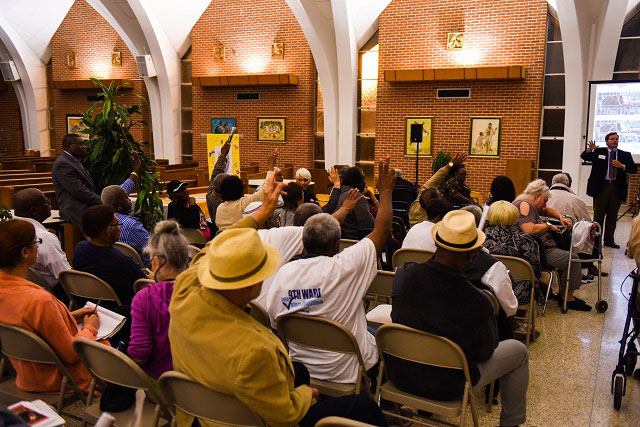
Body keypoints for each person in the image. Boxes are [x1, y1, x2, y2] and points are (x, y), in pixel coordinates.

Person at [168, 229, 387, 427]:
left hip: (198, 410)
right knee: (362, 406)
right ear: (253, 284)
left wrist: (260, 213)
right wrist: (305, 395)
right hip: (251, 419)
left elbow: (205, 255)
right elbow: (285, 415)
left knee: (299, 370)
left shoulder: (184, 291)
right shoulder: (254, 352)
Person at [390, 211, 529, 427]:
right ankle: (511, 423)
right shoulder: (480, 302)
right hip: (449, 386)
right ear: (473, 254)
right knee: (519, 351)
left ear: (436, 243)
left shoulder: (403, 275)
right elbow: (485, 352)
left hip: (399, 374)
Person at [265, 159, 395, 385]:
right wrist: (385, 193)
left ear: (302, 242)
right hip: (348, 372)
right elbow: (382, 231)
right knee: (387, 339)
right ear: (337, 246)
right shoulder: (346, 266)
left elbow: (276, 323)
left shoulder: (284, 273)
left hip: (300, 368)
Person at [0, 219, 101, 393]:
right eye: (36, 242)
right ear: (25, 251)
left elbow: (30, 327)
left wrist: (68, 316)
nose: (38, 247)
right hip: (60, 379)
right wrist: (89, 328)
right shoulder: (39, 300)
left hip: (25, 375)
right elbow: (71, 354)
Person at [513, 179, 589, 311]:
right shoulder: (525, 205)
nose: (545, 204)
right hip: (540, 252)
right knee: (573, 258)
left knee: (566, 253)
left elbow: (547, 211)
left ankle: (563, 293)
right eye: (544, 200)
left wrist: (560, 217)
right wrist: (548, 226)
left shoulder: (525, 203)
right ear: (537, 196)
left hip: (540, 249)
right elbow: (528, 229)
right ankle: (568, 299)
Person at [128, 220, 190, 379]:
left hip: (162, 383)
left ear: (156, 261)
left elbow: (140, 353)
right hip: (201, 382)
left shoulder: (144, 298)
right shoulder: (201, 292)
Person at [52, 133, 141, 227]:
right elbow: (79, 191)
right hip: (76, 209)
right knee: (114, 221)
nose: (84, 147)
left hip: (87, 204)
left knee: (128, 209)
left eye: (84, 144)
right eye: (80, 144)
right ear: (69, 146)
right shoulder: (63, 164)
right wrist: (105, 202)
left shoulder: (74, 161)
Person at [73, 205, 146, 307]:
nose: (120, 227)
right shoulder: (123, 263)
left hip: (89, 307)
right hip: (122, 314)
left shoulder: (79, 249)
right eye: (118, 224)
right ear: (109, 230)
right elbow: (144, 287)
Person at [581, 132, 638, 248]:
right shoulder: (599, 152)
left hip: (616, 188)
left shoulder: (625, 155)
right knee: (598, 216)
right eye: (612, 139)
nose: (615, 141)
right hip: (601, 188)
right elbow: (584, 157)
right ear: (607, 141)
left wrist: (622, 166)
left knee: (612, 216)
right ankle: (596, 241)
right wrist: (590, 150)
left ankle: (609, 240)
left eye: (617, 139)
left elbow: (633, 169)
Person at [11, 188, 70, 299]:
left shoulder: (9, 230)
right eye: (46, 202)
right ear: (33, 211)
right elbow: (65, 276)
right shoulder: (44, 238)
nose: (50, 204)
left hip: (26, 291)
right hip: (54, 296)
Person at [484, 201, 542, 306]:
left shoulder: (482, 240)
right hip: (518, 293)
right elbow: (536, 271)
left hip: (487, 289)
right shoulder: (526, 240)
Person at [409, 152, 467, 226]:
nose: (442, 195)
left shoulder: (416, 205)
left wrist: (451, 164)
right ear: (435, 205)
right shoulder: (435, 223)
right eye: (440, 195)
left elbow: (435, 179)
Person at [101, 185, 151, 265]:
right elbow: (154, 246)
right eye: (126, 197)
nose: (129, 199)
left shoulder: (101, 221)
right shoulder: (131, 226)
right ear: (117, 204)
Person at [334, 166, 375, 239]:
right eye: (364, 180)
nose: (365, 184)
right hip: (355, 242)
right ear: (360, 181)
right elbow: (368, 226)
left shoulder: (337, 194)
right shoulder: (356, 197)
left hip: (339, 242)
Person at [206, 135, 232, 225]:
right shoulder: (232, 204)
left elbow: (216, 173)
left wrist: (223, 155)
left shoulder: (210, 196)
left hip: (215, 227)